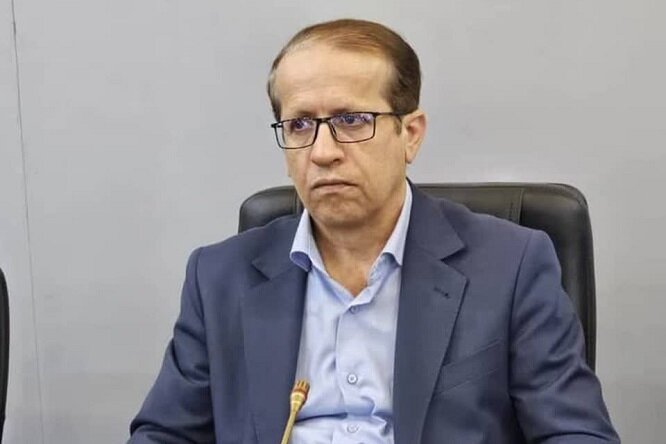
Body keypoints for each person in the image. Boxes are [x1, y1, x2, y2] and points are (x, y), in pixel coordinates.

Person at [129, 19, 619, 443]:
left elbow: (575, 433)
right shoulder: (219, 277)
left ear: (411, 135)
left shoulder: (510, 265)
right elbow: (165, 434)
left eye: (351, 120)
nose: (323, 152)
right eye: (299, 125)